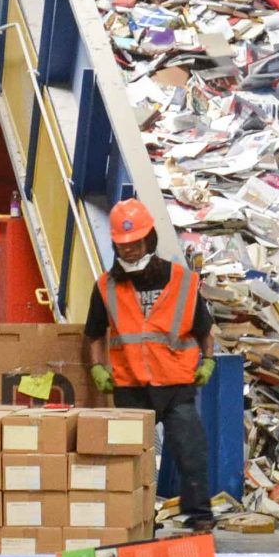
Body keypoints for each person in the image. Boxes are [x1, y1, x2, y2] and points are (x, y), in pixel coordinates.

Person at [84, 198, 219, 533]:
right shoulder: (106, 286)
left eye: (135, 243)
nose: (129, 250)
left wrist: (210, 361)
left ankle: (200, 519)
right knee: (131, 462)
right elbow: (94, 334)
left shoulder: (183, 282)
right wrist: (97, 368)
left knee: (192, 453)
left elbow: (204, 330)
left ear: (149, 240)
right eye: (122, 245)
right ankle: (134, 520)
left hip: (175, 385)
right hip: (130, 387)